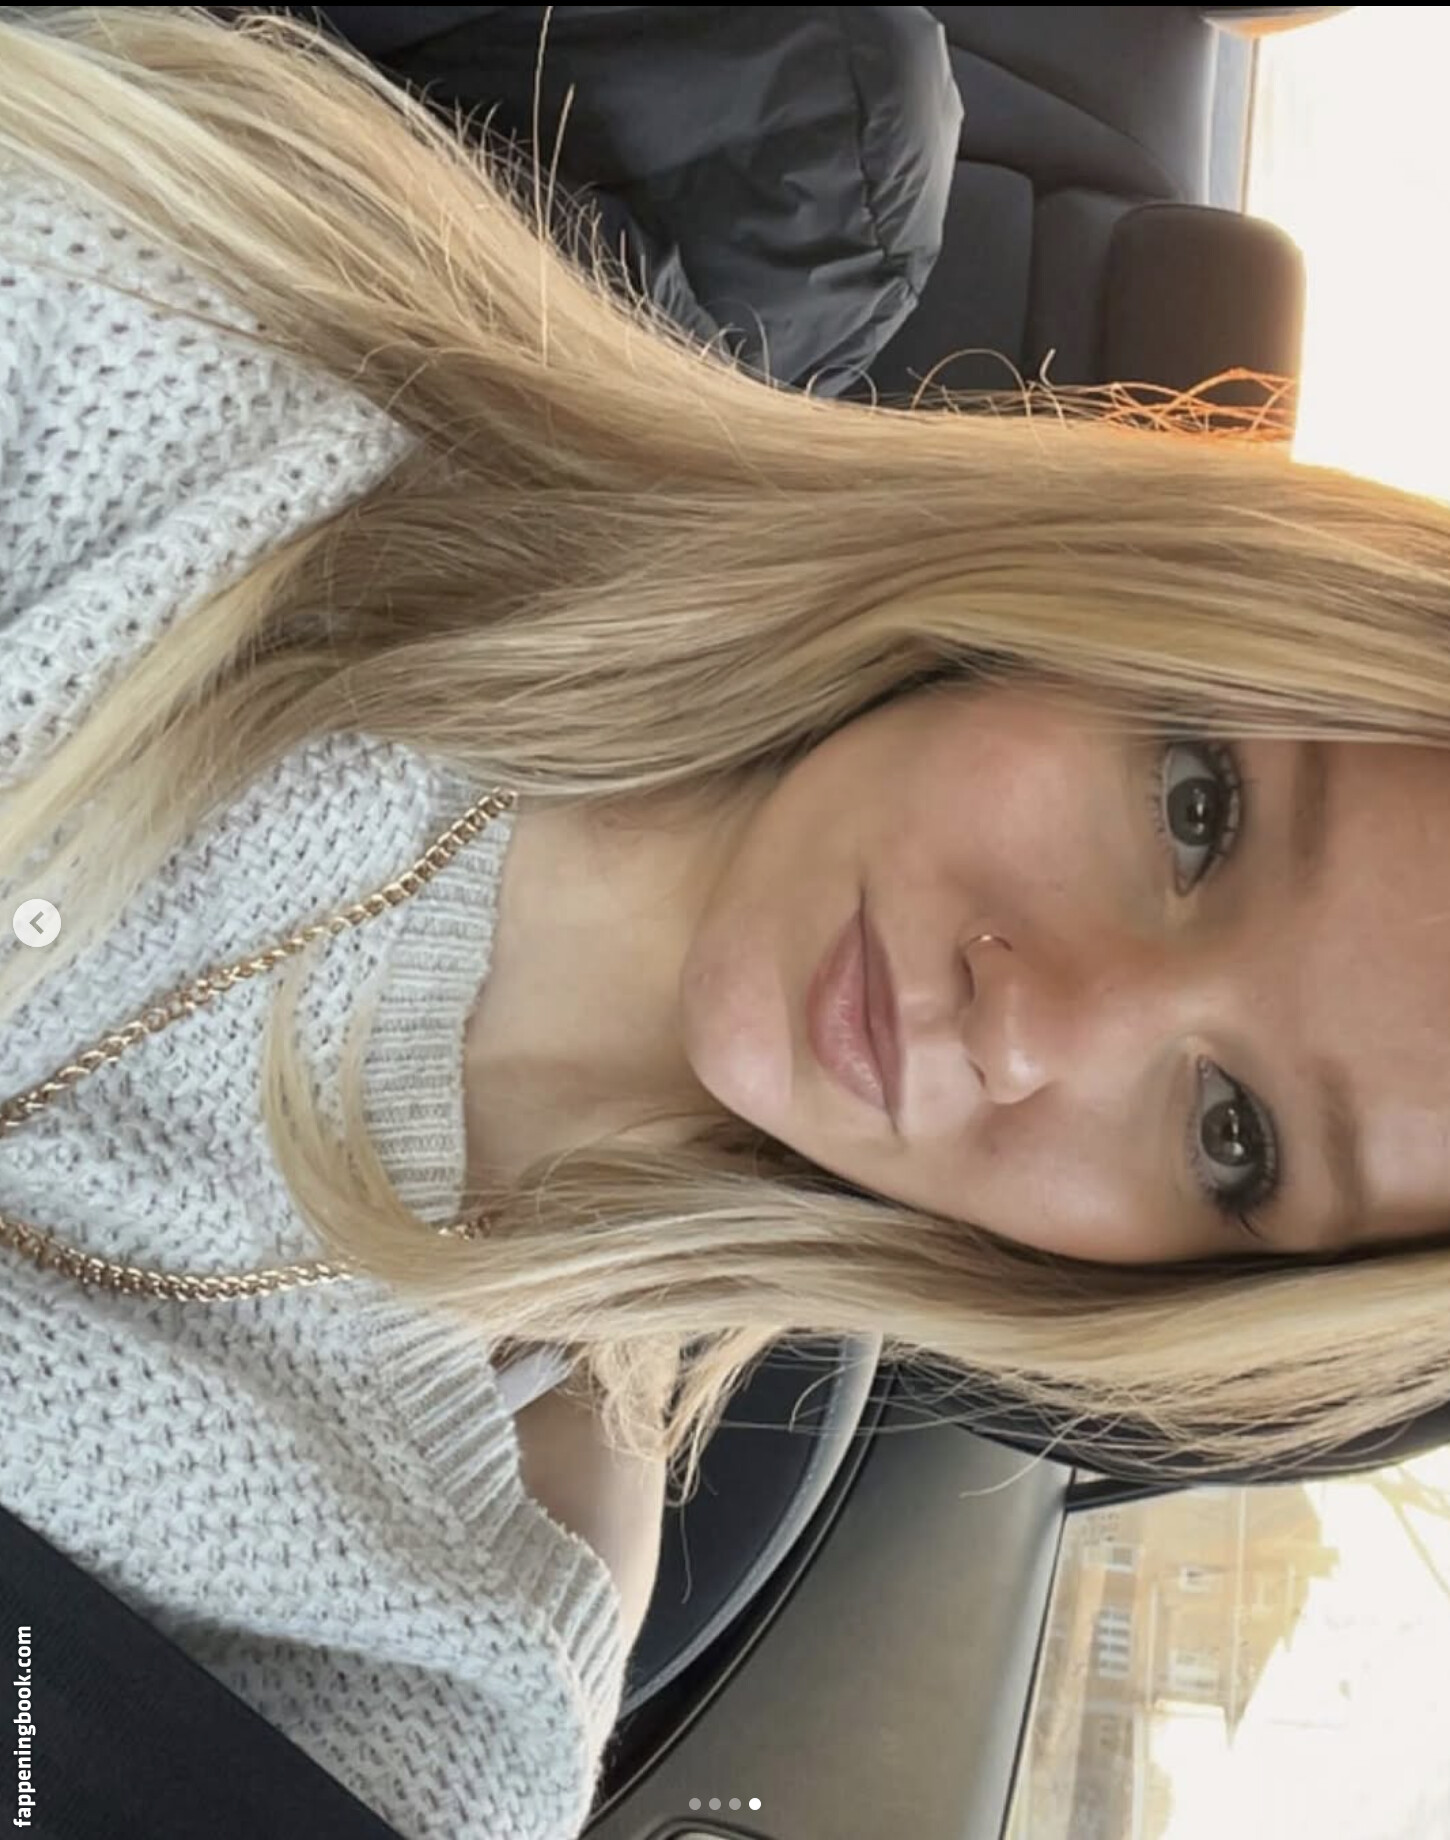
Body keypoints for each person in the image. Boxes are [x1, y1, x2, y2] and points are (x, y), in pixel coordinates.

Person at [2, 8, 1450, 1839]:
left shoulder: (439, 1679)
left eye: (1231, 1140)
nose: (1038, 1029)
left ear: (1158, 1293)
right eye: (1195, 812)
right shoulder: (208, 331)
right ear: (1119, 601)